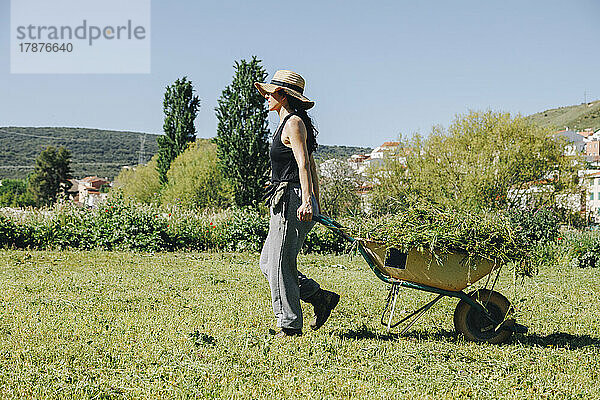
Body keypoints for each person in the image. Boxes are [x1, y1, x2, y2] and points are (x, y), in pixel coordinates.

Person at [255, 70, 340, 338]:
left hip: (292, 199)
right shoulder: (288, 123)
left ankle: (289, 325)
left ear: (282, 95)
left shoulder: (293, 123)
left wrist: (308, 200)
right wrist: (314, 198)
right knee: (268, 262)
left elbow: (304, 164)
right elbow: (309, 164)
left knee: (280, 263)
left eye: (270, 93)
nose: (267, 97)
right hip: (285, 197)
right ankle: (319, 297)